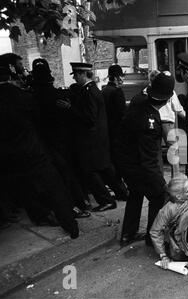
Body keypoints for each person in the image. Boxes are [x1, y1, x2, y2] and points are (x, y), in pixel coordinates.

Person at [0, 65, 79, 238]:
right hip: (32, 150)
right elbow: (39, 119)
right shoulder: (23, 97)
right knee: (55, 188)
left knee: (25, 189)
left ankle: (39, 216)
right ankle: (70, 225)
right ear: (11, 77)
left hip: (7, 155)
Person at [114, 72, 175, 247]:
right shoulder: (151, 121)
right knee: (158, 197)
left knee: (136, 193)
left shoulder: (138, 100)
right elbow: (149, 162)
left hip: (124, 159)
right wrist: (161, 184)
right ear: (166, 100)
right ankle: (152, 236)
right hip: (135, 164)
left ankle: (128, 234)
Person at [31, 58, 91, 219]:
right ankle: (79, 203)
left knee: (55, 178)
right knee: (68, 174)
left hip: (43, 143)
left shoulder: (31, 98)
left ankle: (70, 206)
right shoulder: (60, 95)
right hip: (63, 141)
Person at [67, 62, 126, 212]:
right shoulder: (92, 90)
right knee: (105, 168)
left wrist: (70, 109)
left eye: (75, 75)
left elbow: (90, 118)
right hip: (99, 138)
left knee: (89, 170)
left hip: (91, 139)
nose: (74, 78)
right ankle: (122, 192)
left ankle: (106, 200)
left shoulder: (89, 92)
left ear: (81, 74)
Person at [149, 70, 186, 177]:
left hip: (153, 123)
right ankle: (176, 177)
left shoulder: (148, 91)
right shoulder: (170, 91)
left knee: (157, 152)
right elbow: (178, 109)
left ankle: (159, 178)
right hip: (167, 123)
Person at [101, 64, 129, 200]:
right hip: (118, 134)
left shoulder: (104, 91)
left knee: (113, 163)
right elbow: (122, 115)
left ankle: (119, 190)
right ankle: (124, 191)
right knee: (121, 164)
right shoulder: (117, 92)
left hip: (108, 133)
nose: (123, 78)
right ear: (117, 77)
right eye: (122, 76)